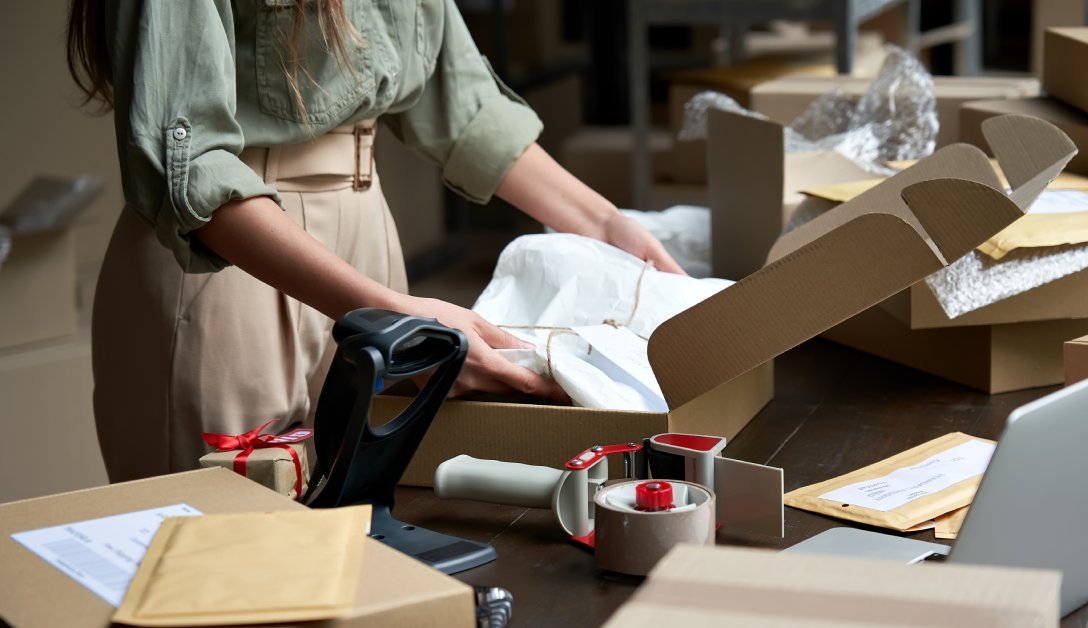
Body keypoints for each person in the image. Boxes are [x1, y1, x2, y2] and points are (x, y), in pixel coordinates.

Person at [66, 0, 684, 483]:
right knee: (223, 557)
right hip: (227, 256)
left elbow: (459, 100)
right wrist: (391, 315)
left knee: (359, 540)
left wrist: (606, 225)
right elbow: (191, 161)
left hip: (367, 230)